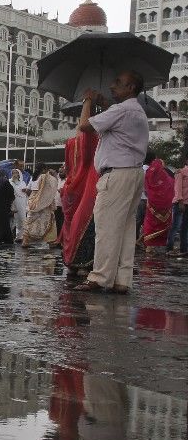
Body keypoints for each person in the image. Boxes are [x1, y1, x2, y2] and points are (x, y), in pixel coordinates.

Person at [75, 70, 150, 294]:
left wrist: (88, 100)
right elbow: (112, 120)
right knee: (126, 228)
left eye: (119, 83)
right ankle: (121, 279)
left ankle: (100, 277)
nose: (112, 85)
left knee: (107, 226)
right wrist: (105, 104)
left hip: (117, 174)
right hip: (133, 173)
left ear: (131, 88)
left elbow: (85, 126)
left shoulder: (122, 109)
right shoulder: (136, 110)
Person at [61, 127, 100, 276]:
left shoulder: (70, 143)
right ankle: (83, 263)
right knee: (86, 223)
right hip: (89, 184)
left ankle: (71, 262)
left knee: (71, 225)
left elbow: (69, 167)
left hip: (72, 186)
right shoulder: (94, 140)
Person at [142, 153, 175, 252]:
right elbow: (171, 186)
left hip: (150, 203)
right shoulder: (165, 175)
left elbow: (146, 189)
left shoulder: (147, 172)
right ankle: (159, 247)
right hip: (164, 205)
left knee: (147, 225)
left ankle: (148, 246)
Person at [21, 168, 61, 247]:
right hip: (44, 206)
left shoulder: (34, 182)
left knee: (30, 223)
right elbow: (50, 192)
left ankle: (25, 241)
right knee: (49, 223)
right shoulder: (45, 181)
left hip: (34, 206)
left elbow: (29, 194)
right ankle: (50, 242)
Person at [9, 168, 29, 241]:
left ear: (19, 174)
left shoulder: (22, 182)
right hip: (13, 202)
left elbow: (25, 192)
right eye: (13, 173)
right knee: (14, 219)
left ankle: (22, 236)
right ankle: (15, 236)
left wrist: (25, 190)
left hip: (21, 202)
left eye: (16, 173)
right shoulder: (9, 182)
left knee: (22, 219)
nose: (14, 174)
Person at [172, 160, 188, 256]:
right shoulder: (181, 172)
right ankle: (170, 248)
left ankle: (184, 249)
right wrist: (180, 201)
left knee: (184, 227)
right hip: (181, 203)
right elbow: (177, 188)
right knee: (176, 226)